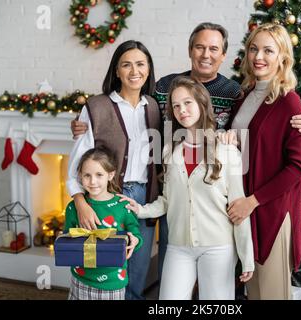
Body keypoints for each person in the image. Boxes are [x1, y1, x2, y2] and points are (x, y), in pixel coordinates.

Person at [70, 22, 301, 291]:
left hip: (227, 200)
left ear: (223, 55)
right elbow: (134, 109)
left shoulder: (236, 94)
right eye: (199, 47)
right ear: (190, 50)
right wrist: (86, 122)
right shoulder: (165, 88)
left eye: (213, 48)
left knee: (232, 287)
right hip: (170, 190)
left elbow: (279, 152)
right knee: (150, 270)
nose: (206, 54)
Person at [121, 76, 254, 300]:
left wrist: (246, 256)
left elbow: (239, 207)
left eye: (187, 102)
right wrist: (140, 209)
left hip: (218, 247)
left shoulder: (227, 151)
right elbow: (167, 200)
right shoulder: (169, 152)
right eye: (176, 105)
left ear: (202, 103)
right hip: (178, 246)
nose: (182, 110)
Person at [66, 40, 161, 300]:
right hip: (103, 200)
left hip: (143, 198)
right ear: (116, 71)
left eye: (140, 64)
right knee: (100, 270)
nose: (134, 71)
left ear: (149, 69)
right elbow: (76, 164)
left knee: (136, 269)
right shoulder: (95, 107)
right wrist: (81, 202)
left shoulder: (154, 107)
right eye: (126, 65)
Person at [224, 23, 301, 300]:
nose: (258, 56)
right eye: (253, 48)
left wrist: (252, 202)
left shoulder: (290, 102)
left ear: (283, 57)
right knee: (255, 291)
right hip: (246, 209)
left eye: (268, 50)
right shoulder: (245, 97)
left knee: (271, 294)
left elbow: (298, 168)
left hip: (271, 210)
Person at [64, 146, 142, 300]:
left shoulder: (122, 206)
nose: (93, 181)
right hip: (81, 279)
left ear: (110, 174)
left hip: (113, 282)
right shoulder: (74, 207)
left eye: (99, 174)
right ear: (80, 176)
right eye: (87, 175)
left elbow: (136, 234)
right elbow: (67, 238)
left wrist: (135, 240)